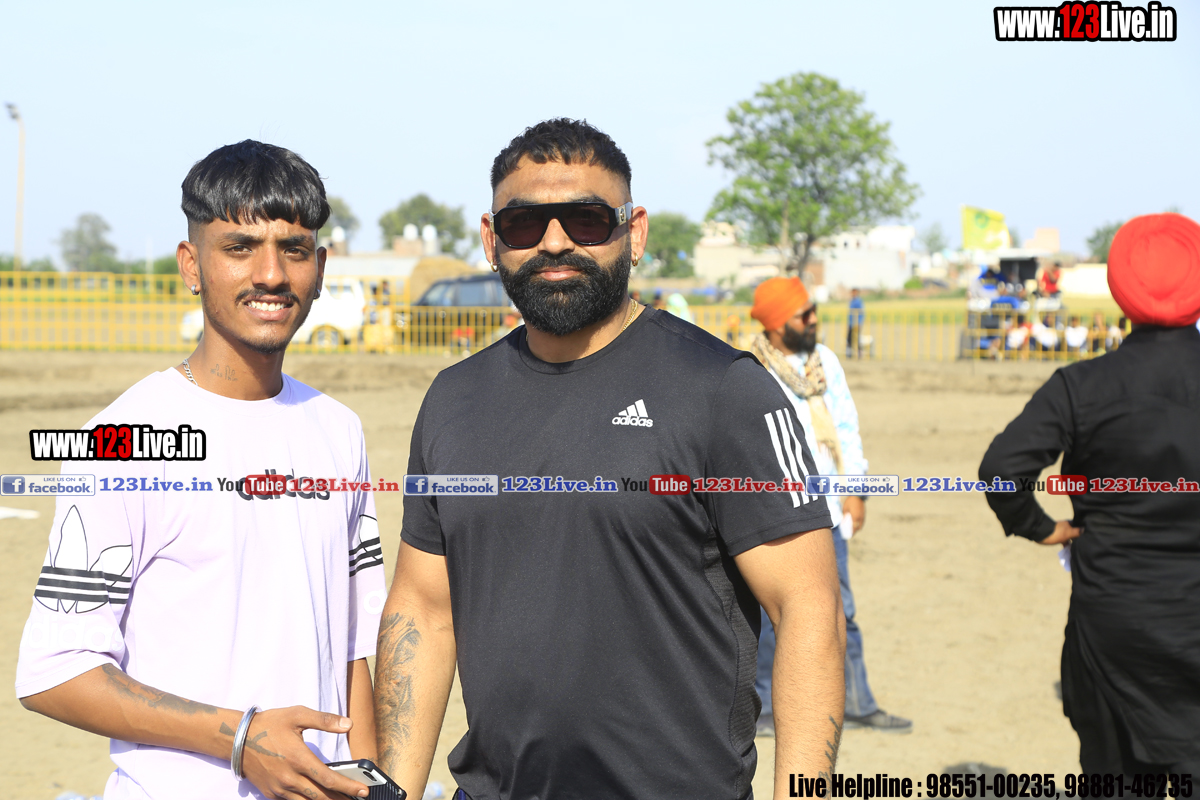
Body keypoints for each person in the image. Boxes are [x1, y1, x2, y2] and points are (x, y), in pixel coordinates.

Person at [373, 119, 844, 800]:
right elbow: (423, 609)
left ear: (635, 232)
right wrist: (391, 789)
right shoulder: (453, 399)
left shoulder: (724, 389)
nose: (554, 241)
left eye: (588, 220)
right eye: (524, 223)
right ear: (491, 240)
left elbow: (808, 607)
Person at [15, 141, 384, 800]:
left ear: (321, 267)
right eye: (239, 247)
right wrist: (239, 739)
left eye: (294, 249)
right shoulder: (121, 441)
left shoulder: (339, 431)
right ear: (191, 264)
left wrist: (370, 782)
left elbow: (353, 649)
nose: (271, 274)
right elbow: (56, 672)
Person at [978, 212, 1200, 773]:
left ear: (1120, 289)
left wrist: (1040, 526)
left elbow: (1003, 468)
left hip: (1113, 622)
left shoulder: (1081, 386)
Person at [748, 277, 912, 736]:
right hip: (774, 511)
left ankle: (857, 703)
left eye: (813, 310)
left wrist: (855, 492)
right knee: (771, 615)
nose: (814, 319)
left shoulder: (826, 363)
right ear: (777, 323)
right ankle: (766, 709)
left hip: (829, 508)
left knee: (842, 610)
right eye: (804, 314)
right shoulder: (751, 370)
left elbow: (846, 428)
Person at [846, 288, 864, 358]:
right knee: (849, 338)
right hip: (851, 323)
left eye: (854, 292)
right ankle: (849, 354)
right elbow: (850, 314)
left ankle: (859, 353)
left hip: (856, 323)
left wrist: (859, 322)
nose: (853, 294)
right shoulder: (851, 301)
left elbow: (861, 313)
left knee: (857, 338)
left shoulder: (858, 301)